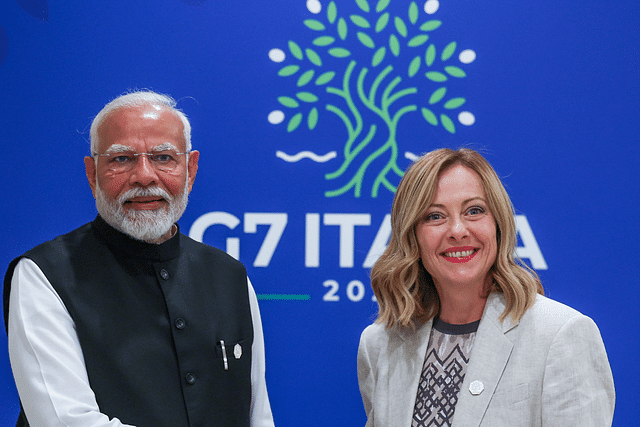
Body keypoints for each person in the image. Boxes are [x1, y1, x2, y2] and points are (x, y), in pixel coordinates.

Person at [3, 90, 275, 427]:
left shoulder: (229, 276)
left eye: (163, 157)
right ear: (92, 173)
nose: (144, 176)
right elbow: (64, 421)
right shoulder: (44, 275)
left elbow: (258, 415)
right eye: (121, 159)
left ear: (190, 170)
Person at [357, 148, 615, 427]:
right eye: (434, 216)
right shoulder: (380, 344)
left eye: (474, 211)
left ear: (498, 224)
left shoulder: (561, 334)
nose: (457, 230)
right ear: (411, 235)